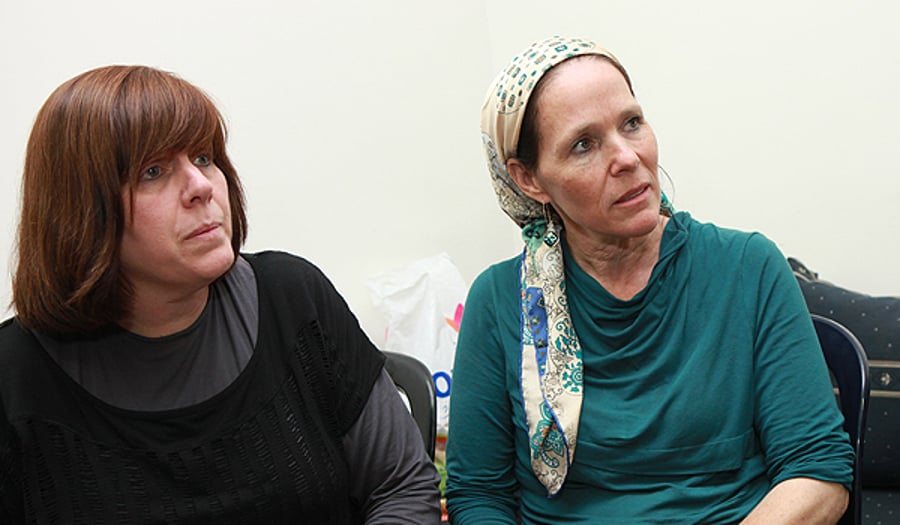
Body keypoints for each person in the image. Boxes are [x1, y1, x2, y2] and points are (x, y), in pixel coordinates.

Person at [0, 65, 440, 524]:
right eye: (153, 171)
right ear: (80, 211)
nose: (201, 186)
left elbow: (400, 486)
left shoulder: (294, 299)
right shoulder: (15, 375)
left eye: (204, 158)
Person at [445, 36, 854, 524]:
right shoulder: (499, 303)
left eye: (632, 123)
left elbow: (818, 472)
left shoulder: (747, 268)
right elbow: (479, 495)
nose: (626, 157)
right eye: (583, 144)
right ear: (528, 179)